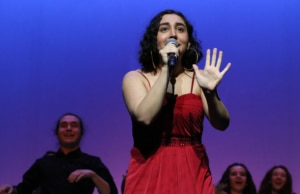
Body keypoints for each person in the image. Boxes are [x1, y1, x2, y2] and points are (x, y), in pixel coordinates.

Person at [121, 9, 231, 194]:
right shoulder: (135, 78)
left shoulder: (199, 79)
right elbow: (144, 117)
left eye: (180, 29)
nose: (173, 33)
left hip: (193, 170)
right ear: (155, 41)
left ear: (188, 43)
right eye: (164, 29)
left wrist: (210, 93)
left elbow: (222, 123)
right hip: (149, 170)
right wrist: (166, 70)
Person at [0, 112, 118, 194]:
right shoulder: (43, 164)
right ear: (57, 133)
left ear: (81, 133)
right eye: (63, 125)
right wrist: (11, 188)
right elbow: (23, 190)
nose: (68, 128)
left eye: (74, 125)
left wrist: (93, 175)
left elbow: (111, 192)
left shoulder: (93, 162)